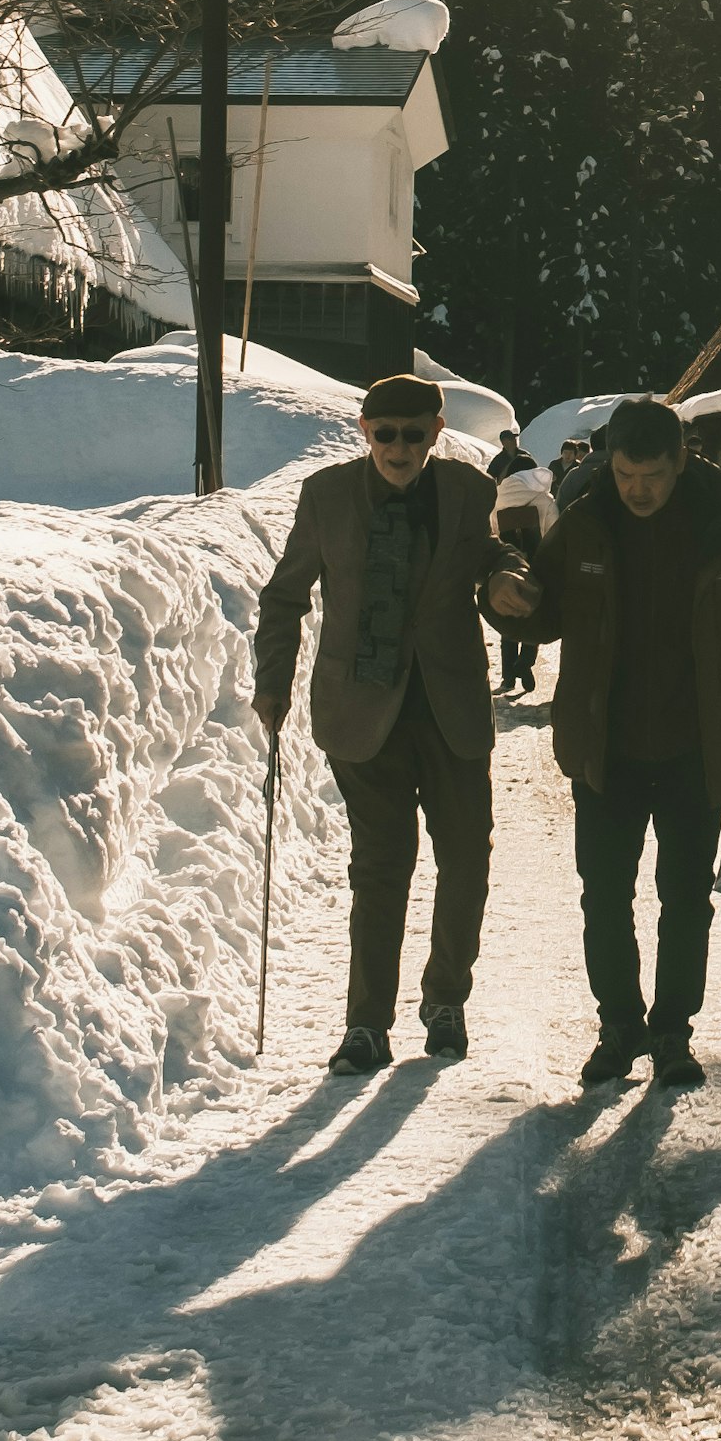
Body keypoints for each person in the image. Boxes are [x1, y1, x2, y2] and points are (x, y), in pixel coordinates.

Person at [489, 394, 721, 1091]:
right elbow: (546, 611)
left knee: (686, 897)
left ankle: (673, 1033)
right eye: (626, 475)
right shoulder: (587, 523)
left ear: (680, 461)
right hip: (608, 748)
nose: (638, 490)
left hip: (697, 747)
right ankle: (618, 1026)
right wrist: (505, 599)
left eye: (651, 476)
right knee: (604, 895)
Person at [253, 371, 505, 1076]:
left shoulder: (467, 493)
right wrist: (271, 682)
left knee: (466, 859)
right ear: (364, 432)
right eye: (385, 433)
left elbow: (489, 559)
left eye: (414, 433)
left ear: (436, 432)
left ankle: (446, 998)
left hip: (450, 706)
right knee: (381, 868)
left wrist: (509, 578)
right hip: (361, 709)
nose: (399, 447)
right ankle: (366, 1024)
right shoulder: (327, 496)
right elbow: (284, 597)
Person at [487, 425, 555, 697]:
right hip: (537, 563)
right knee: (532, 613)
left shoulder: (498, 498)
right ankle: (524, 662)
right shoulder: (543, 499)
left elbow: (491, 529)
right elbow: (554, 530)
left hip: (507, 564)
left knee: (508, 619)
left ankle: (507, 678)